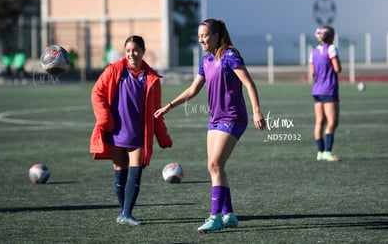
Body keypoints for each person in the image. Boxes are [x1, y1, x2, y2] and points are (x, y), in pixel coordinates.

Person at [154, 19, 266, 233]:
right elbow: (193, 89)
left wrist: (257, 111)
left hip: (233, 118)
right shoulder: (205, 60)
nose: (201, 40)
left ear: (216, 36)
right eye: (199, 37)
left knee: (215, 164)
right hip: (215, 119)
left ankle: (215, 217)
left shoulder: (230, 56)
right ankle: (229, 215)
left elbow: (249, 83)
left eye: (205, 35)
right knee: (214, 166)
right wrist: (169, 106)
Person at [90, 35, 173, 226]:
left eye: (135, 50)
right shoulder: (114, 71)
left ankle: (126, 213)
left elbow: (156, 111)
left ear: (143, 52)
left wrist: (162, 136)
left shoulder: (152, 79)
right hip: (116, 131)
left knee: (136, 172)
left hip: (138, 134)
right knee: (120, 172)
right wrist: (104, 118)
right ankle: (123, 213)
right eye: (128, 51)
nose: (131, 54)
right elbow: (97, 93)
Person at [309, 26, 342, 162]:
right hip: (329, 90)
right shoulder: (332, 48)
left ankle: (320, 152)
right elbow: (337, 68)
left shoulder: (314, 51)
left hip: (317, 90)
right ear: (331, 37)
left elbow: (312, 73)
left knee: (319, 122)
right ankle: (327, 151)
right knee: (332, 122)